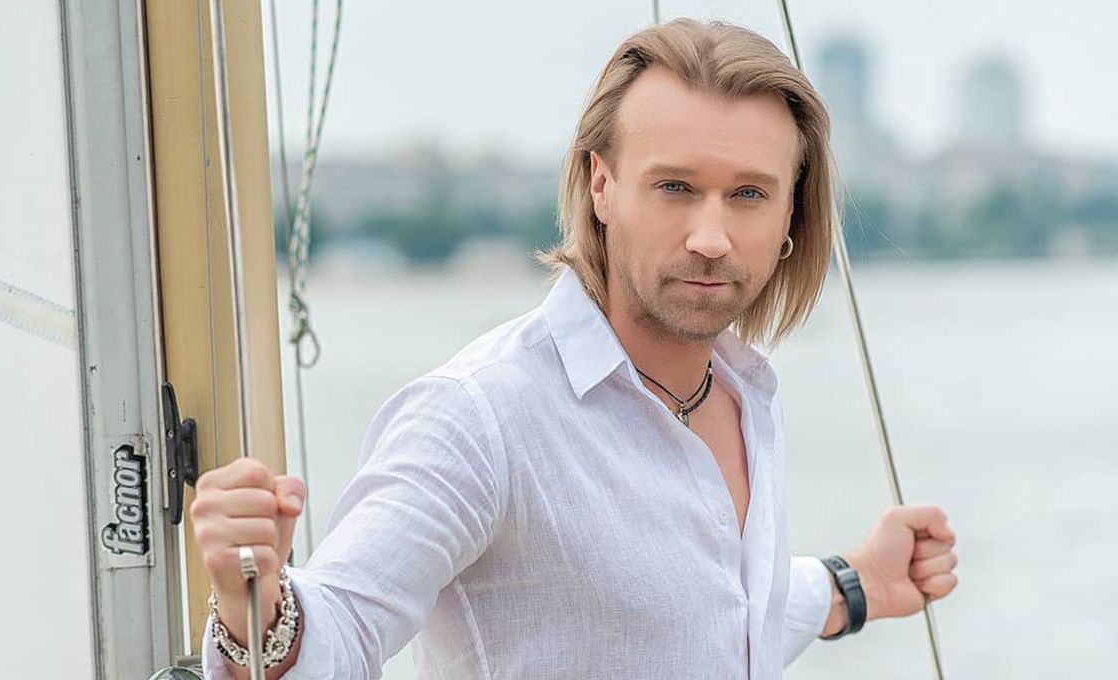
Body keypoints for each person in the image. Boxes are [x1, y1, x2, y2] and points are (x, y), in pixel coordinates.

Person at [193, 18, 959, 680]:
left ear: (792, 210)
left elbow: (715, 609)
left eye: (749, 194)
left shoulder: (744, 393)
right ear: (601, 186)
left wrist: (855, 583)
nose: (711, 237)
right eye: (675, 187)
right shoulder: (481, 415)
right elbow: (345, 623)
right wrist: (253, 600)